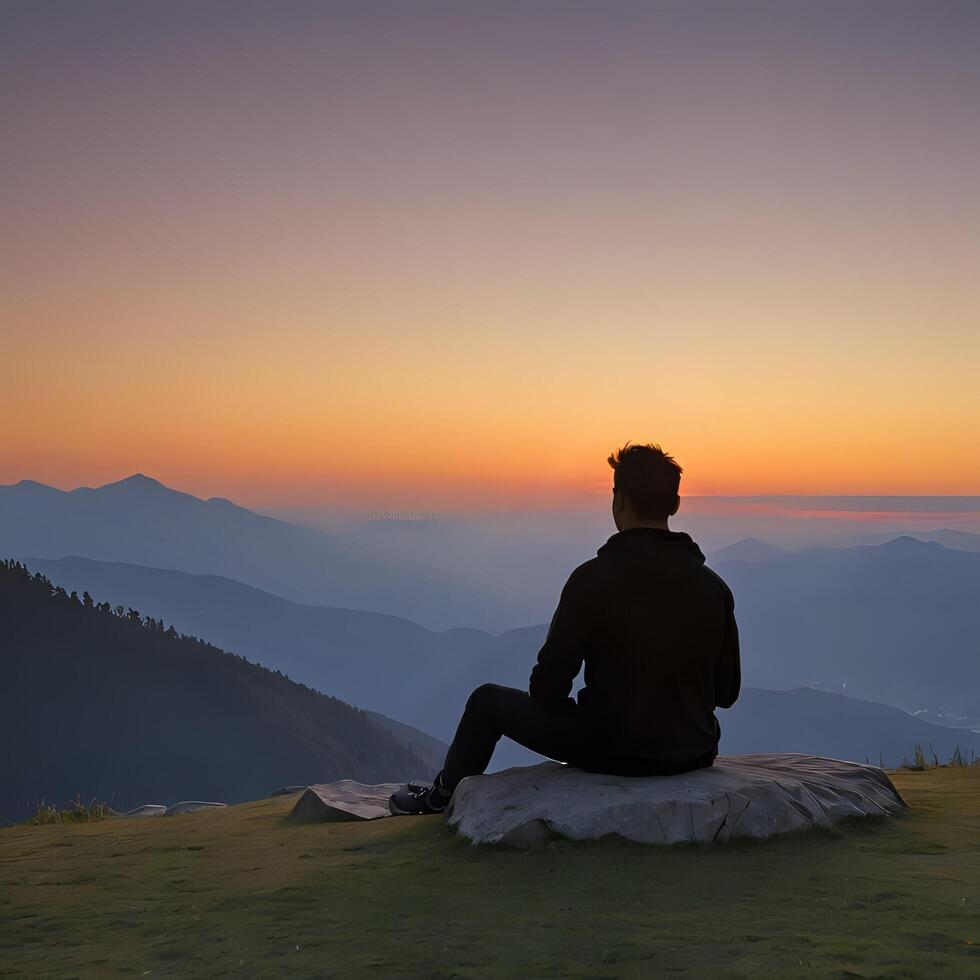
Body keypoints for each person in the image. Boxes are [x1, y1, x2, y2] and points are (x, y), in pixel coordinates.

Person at [389, 442, 740, 815]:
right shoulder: (712, 587)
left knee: (486, 701)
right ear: (675, 504)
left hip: (610, 750)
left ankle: (441, 796)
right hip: (693, 753)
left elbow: (547, 690)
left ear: (617, 501)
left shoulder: (591, 580)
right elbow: (726, 693)